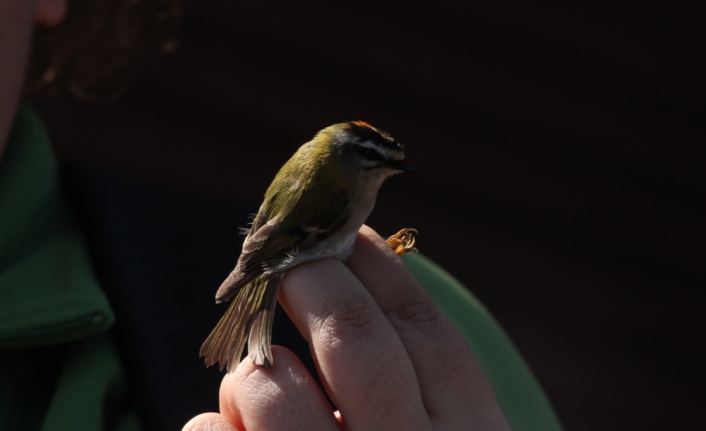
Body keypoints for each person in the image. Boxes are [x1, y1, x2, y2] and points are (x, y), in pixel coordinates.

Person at [1, 1, 561, 430]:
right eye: (376, 162)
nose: (387, 171)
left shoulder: (437, 342)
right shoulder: (340, 192)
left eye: (391, 164)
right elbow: (305, 232)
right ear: (352, 160)